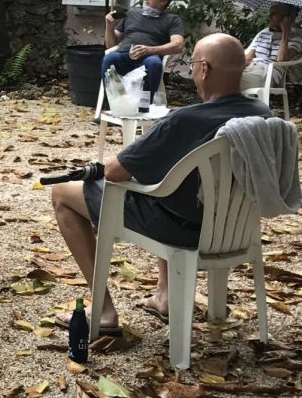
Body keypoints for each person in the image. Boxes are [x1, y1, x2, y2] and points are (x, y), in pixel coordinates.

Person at [52, 33, 270, 334]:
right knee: (170, 186)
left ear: (204, 69)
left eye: (193, 64)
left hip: (180, 229)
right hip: (235, 228)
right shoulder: (263, 115)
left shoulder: (185, 120)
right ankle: (164, 297)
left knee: (63, 192)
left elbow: (115, 171)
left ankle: (102, 310)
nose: (193, 72)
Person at [102, 0, 185, 102]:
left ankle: (145, 106)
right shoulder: (132, 13)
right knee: (109, 58)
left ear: (163, 1)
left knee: (154, 63)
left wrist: (149, 50)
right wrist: (109, 26)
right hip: (123, 55)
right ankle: (112, 105)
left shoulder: (172, 20)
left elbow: (178, 45)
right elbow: (110, 44)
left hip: (149, 57)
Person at [240, 3, 301, 91]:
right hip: (250, 69)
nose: (269, 16)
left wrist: (285, 33)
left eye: (274, 13)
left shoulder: (295, 39)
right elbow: (249, 57)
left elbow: (281, 59)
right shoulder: (264, 33)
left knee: (228, 81)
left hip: (267, 74)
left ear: (286, 18)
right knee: (220, 75)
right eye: (270, 13)